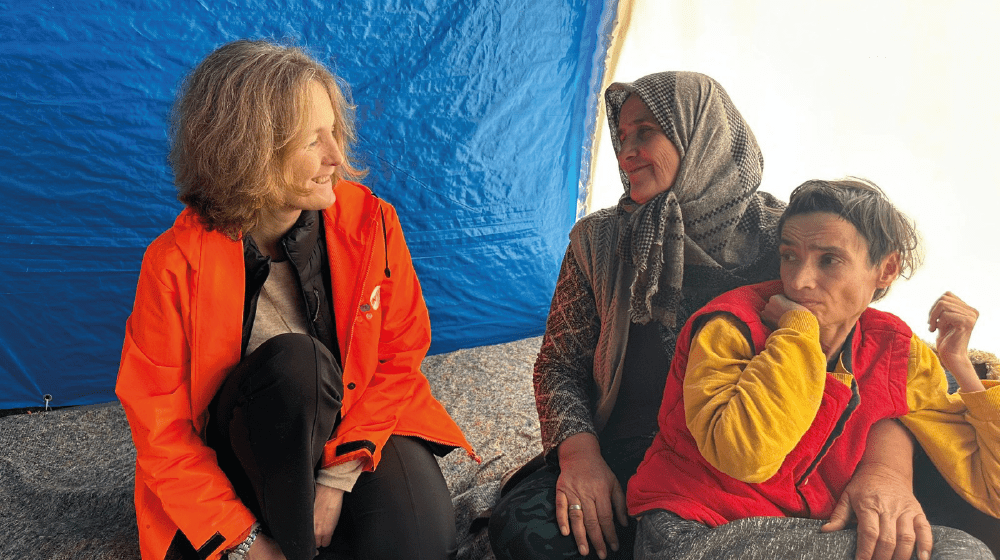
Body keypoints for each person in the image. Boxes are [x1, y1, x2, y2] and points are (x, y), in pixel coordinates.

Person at [489, 72, 925, 560]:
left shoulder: (781, 241)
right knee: (530, 533)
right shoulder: (599, 241)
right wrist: (579, 457)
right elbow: (559, 366)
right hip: (622, 450)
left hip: (747, 466)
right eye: (622, 135)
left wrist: (885, 471)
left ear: (703, 135)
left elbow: (871, 364)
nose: (626, 150)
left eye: (647, 131)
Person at [116, 40, 476, 560]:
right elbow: (161, 429)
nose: (337, 156)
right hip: (244, 449)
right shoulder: (173, 263)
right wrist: (245, 542)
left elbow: (401, 354)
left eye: (335, 131)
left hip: (357, 425)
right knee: (297, 364)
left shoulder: (371, 223)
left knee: (419, 544)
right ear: (247, 151)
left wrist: (336, 479)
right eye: (314, 140)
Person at [628, 179, 999, 560]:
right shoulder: (730, 325)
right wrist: (798, 332)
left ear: (886, 269)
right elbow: (745, 455)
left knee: (954, 550)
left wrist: (961, 367)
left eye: (829, 260)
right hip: (692, 530)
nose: (800, 280)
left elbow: (994, 490)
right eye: (790, 256)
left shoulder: (896, 351)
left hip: (803, 532)